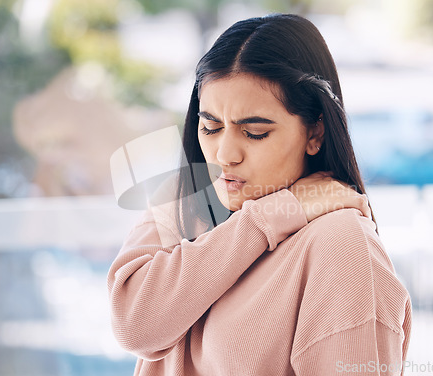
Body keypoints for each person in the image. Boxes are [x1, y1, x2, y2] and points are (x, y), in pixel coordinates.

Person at [108, 13, 411, 376]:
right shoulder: (187, 196)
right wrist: (273, 215)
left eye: (254, 132)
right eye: (211, 127)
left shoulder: (341, 245)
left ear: (315, 132)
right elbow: (134, 326)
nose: (224, 155)